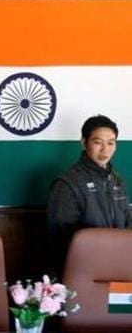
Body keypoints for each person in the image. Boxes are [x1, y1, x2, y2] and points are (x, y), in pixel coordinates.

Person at [47, 115, 132, 277]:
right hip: (84, 270)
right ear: (84, 142)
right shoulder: (67, 183)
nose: (105, 150)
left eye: (110, 143)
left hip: (120, 265)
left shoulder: (117, 180)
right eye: (98, 142)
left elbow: (128, 222)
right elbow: (60, 240)